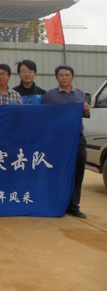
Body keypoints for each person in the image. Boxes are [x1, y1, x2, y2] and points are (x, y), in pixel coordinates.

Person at [42, 65, 91, 219]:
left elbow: (85, 114)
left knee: (78, 171)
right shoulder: (50, 95)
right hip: (58, 139)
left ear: (72, 77)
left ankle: (74, 206)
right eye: (61, 75)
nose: (64, 78)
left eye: (67, 75)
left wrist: (86, 109)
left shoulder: (80, 94)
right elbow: (45, 116)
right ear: (56, 77)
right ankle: (55, 203)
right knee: (57, 171)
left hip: (77, 138)